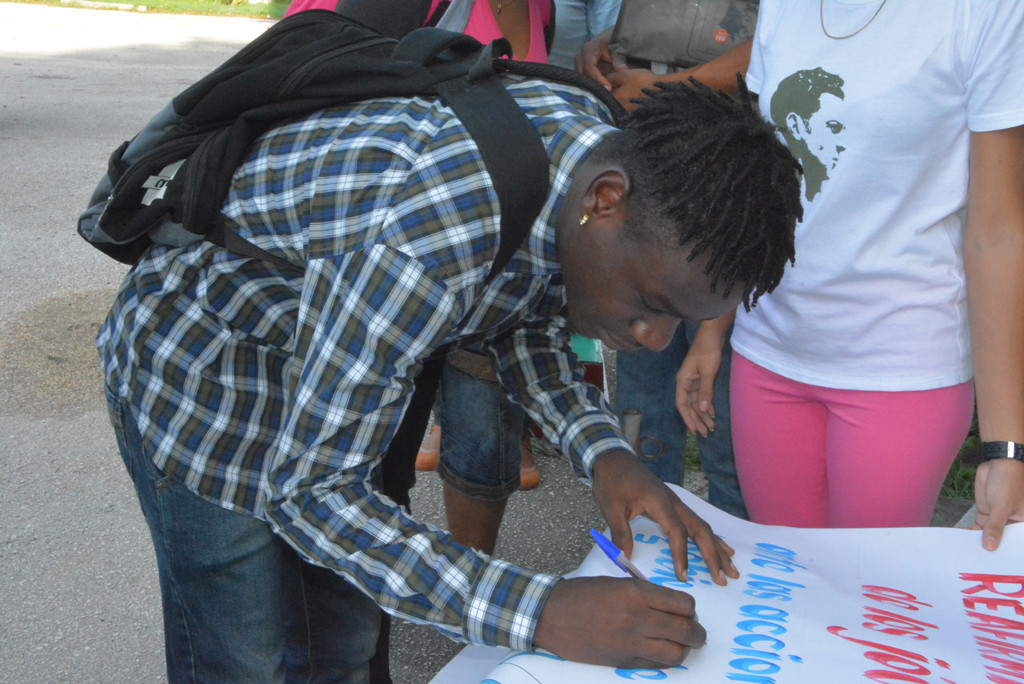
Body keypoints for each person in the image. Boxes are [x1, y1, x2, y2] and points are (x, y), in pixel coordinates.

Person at [99, 46, 804, 681]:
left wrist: (607, 454)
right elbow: (312, 490)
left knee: (343, 642)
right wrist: (541, 611)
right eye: (651, 303)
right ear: (607, 201)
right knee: (244, 649)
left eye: (682, 319)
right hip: (206, 375)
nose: (655, 340)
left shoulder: (599, 161)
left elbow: (521, 311)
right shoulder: (428, 236)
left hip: (340, 361)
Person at [673, 0, 1024, 544]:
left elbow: (996, 235)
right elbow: (759, 184)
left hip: (900, 367)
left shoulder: (987, 11)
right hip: (770, 353)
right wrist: (714, 327)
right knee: (789, 592)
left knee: (874, 608)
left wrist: (1006, 447)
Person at [575, 21, 754, 519]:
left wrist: (658, 86)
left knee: (720, 414)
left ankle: (733, 550)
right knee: (644, 399)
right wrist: (611, 43)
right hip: (647, 166)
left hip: (726, 180)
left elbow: (778, 47)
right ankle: (647, 542)